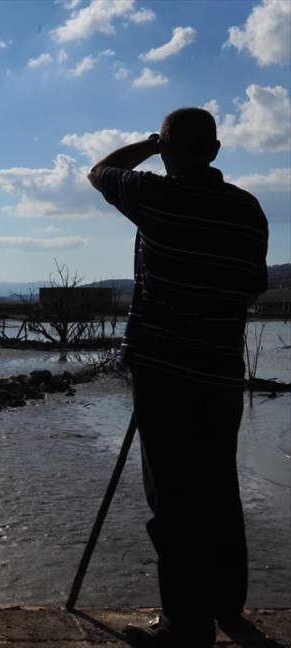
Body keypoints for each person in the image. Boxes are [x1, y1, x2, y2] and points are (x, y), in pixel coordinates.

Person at [87, 107, 269, 647]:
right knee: (219, 490)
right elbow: (252, 286)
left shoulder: (155, 195)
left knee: (174, 504)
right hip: (221, 374)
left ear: (166, 151)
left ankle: (185, 627)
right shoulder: (248, 208)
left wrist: (148, 145)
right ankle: (227, 610)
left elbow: (99, 172)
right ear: (215, 150)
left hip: (165, 372)